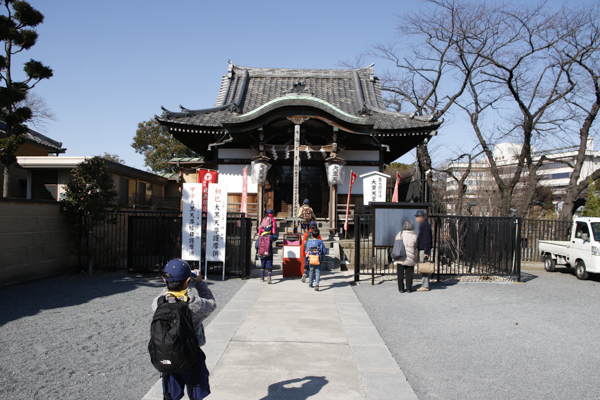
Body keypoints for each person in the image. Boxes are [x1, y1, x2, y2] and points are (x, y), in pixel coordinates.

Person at [151, 259, 216, 400]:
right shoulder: (194, 303)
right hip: (191, 354)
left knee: (171, 394)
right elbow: (211, 303)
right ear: (188, 280)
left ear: (164, 279)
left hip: (167, 354)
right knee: (196, 392)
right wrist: (199, 282)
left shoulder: (158, 302)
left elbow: (166, 293)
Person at [394, 220, 419, 293]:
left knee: (400, 274)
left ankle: (401, 288)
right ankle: (409, 288)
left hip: (401, 257)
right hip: (410, 257)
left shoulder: (400, 234)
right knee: (409, 274)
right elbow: (416, 246)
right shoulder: (415, 236)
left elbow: (396, 244)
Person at [416, 210, 433, 292]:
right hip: (423, 249)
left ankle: (425, 285)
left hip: (424, 249)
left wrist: (426, 251)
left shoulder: (425, 225)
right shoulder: (425, 224)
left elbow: (427, 239)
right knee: (423, 266)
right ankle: (424, 284)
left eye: (417, 217)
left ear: (421, 217)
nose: (416, 218)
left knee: (424, 267)